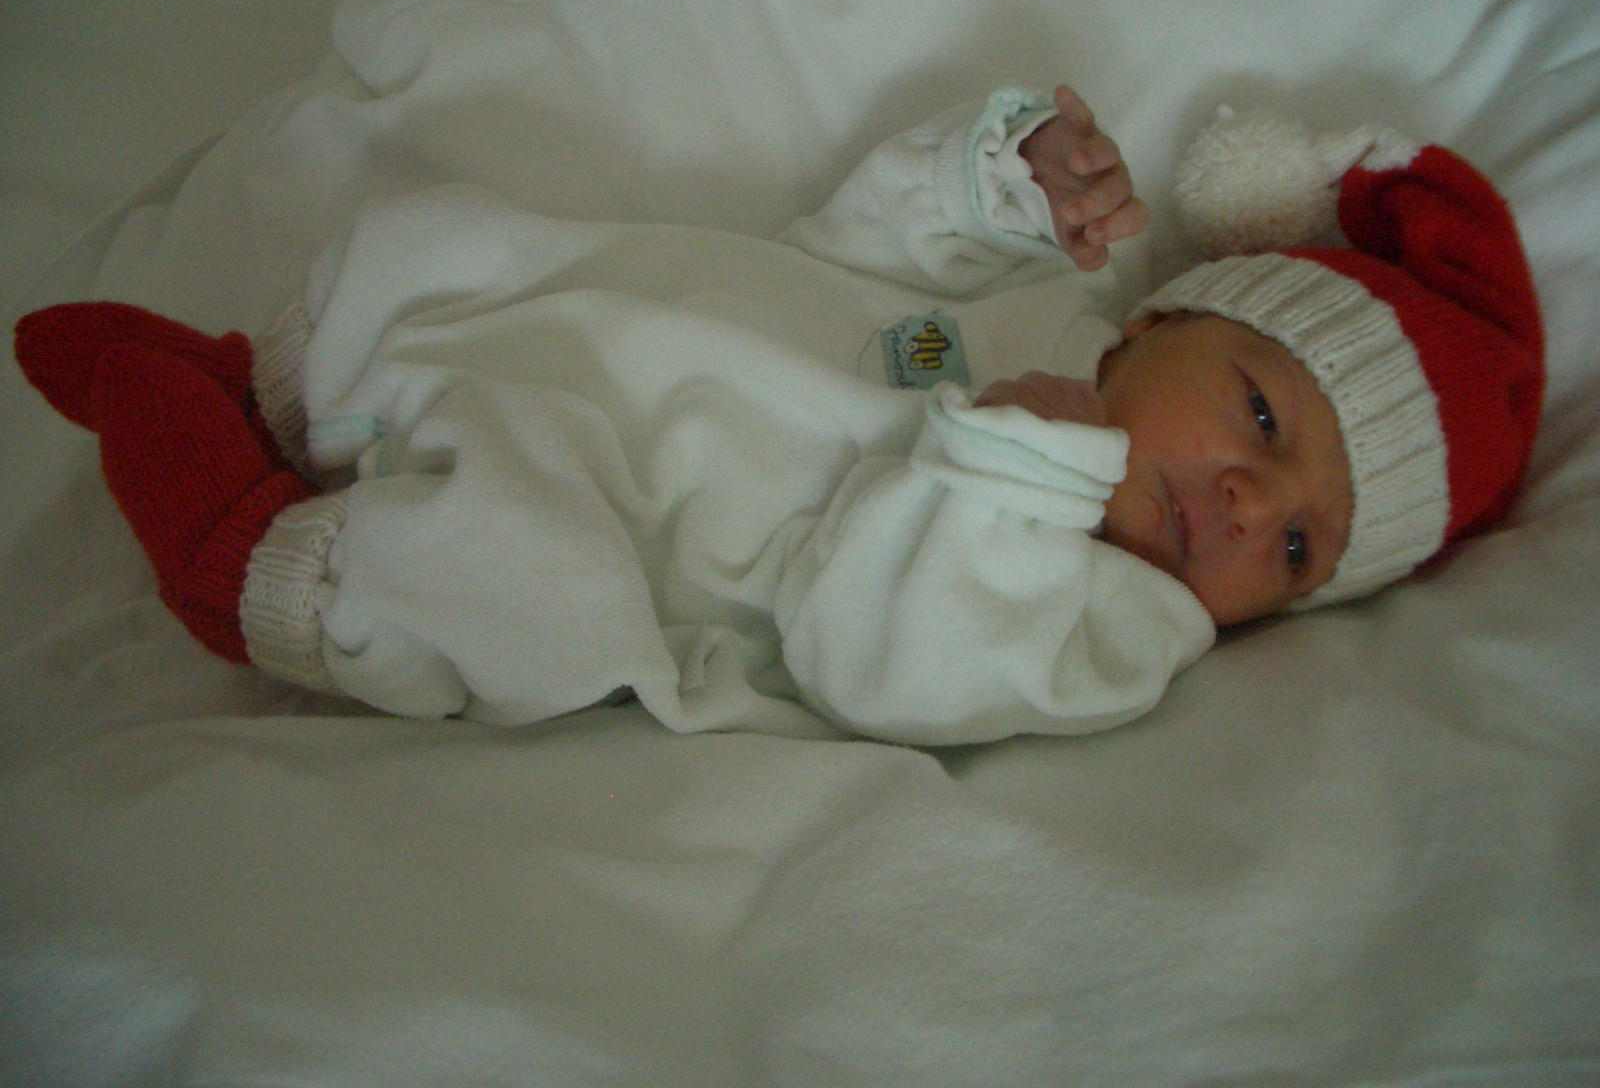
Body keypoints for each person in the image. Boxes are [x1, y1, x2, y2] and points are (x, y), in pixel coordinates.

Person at [13, 86, 1543, 744]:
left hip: (656, 546)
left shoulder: (1123, 626)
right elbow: (867, 247)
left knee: (514, 570)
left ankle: (254, 558)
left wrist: (1014, 479)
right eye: (1262, 417)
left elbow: (886, 668)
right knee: (464, 251)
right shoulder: (1047, 323)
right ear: (1158, 321)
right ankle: (277, 380)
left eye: (1297, 550)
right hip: (649, 351)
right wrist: (998, 182)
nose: (1248, 508)